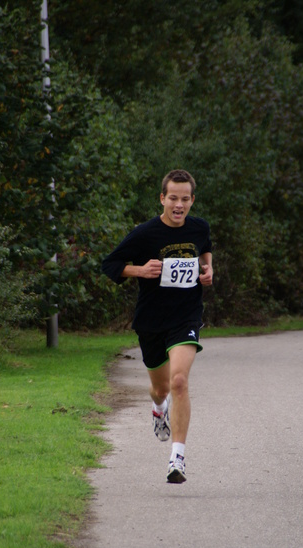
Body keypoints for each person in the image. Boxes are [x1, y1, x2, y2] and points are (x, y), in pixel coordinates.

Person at [102, 169, 213, 484]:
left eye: (185, 199)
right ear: (162, 198)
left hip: (186, 316)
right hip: (151, 320)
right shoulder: (144, 233)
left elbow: (205, 249)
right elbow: (109, 265)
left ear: (192, 200)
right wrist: (140, 270)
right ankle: (158, 406)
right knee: (161, 388)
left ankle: (177, 459)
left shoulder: (199, 227)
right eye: (173, 198)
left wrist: (209, 269)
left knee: (179, 381)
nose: (179, 205)